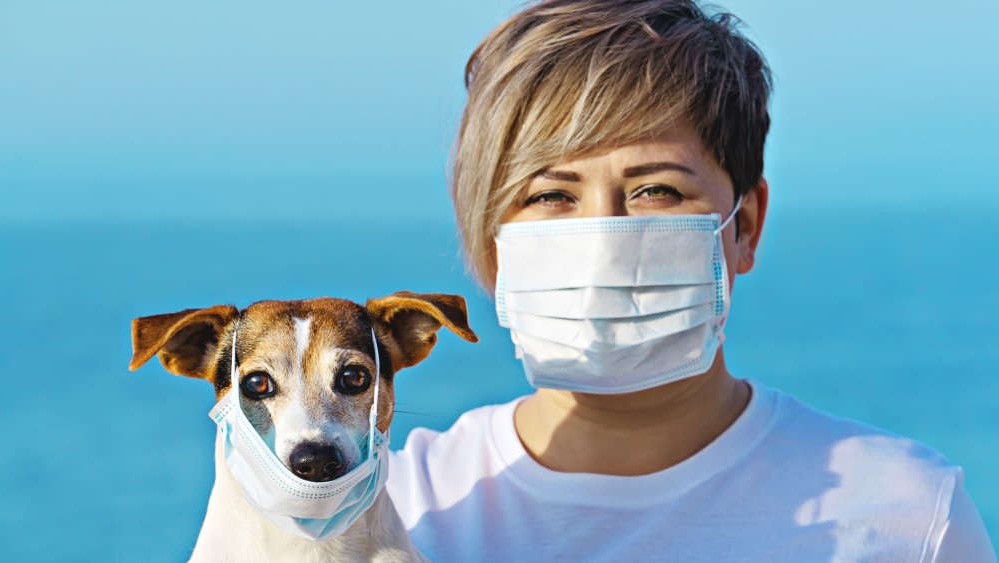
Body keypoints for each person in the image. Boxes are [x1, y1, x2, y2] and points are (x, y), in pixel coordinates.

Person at [386, 0, 997, 561]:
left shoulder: (909, 518)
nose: (603, 239)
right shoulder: (385, 513)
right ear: (489, 246)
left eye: (657, 190)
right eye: (550, 195)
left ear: (745, 227)